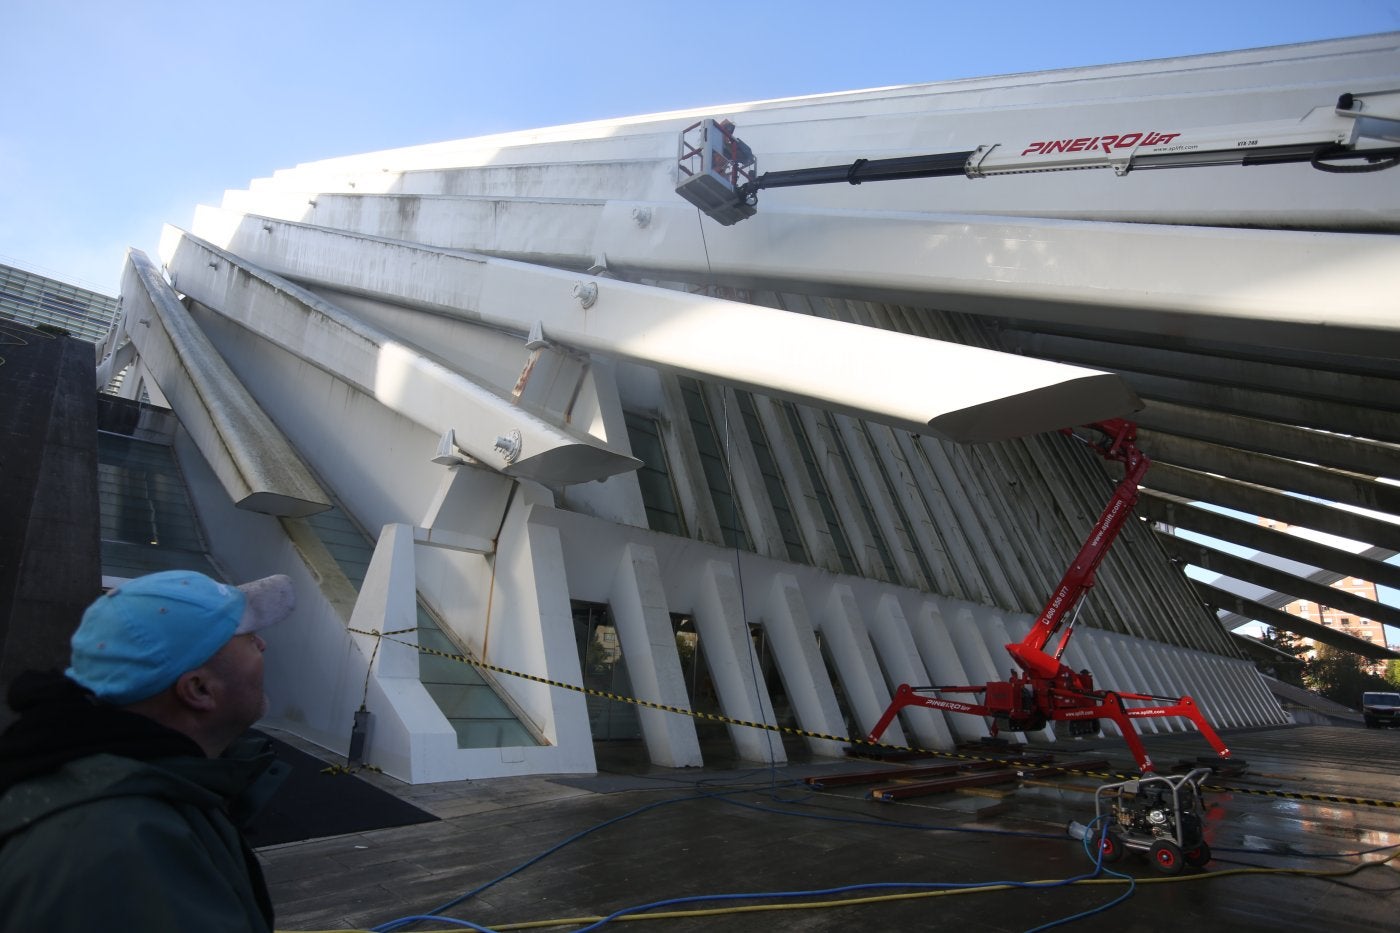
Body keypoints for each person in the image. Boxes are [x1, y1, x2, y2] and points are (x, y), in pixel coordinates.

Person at [0, 569, 296, 933]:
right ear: (200, 690)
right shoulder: (118, 857)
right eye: (246, 636)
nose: (262, 644)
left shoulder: (142, 792)